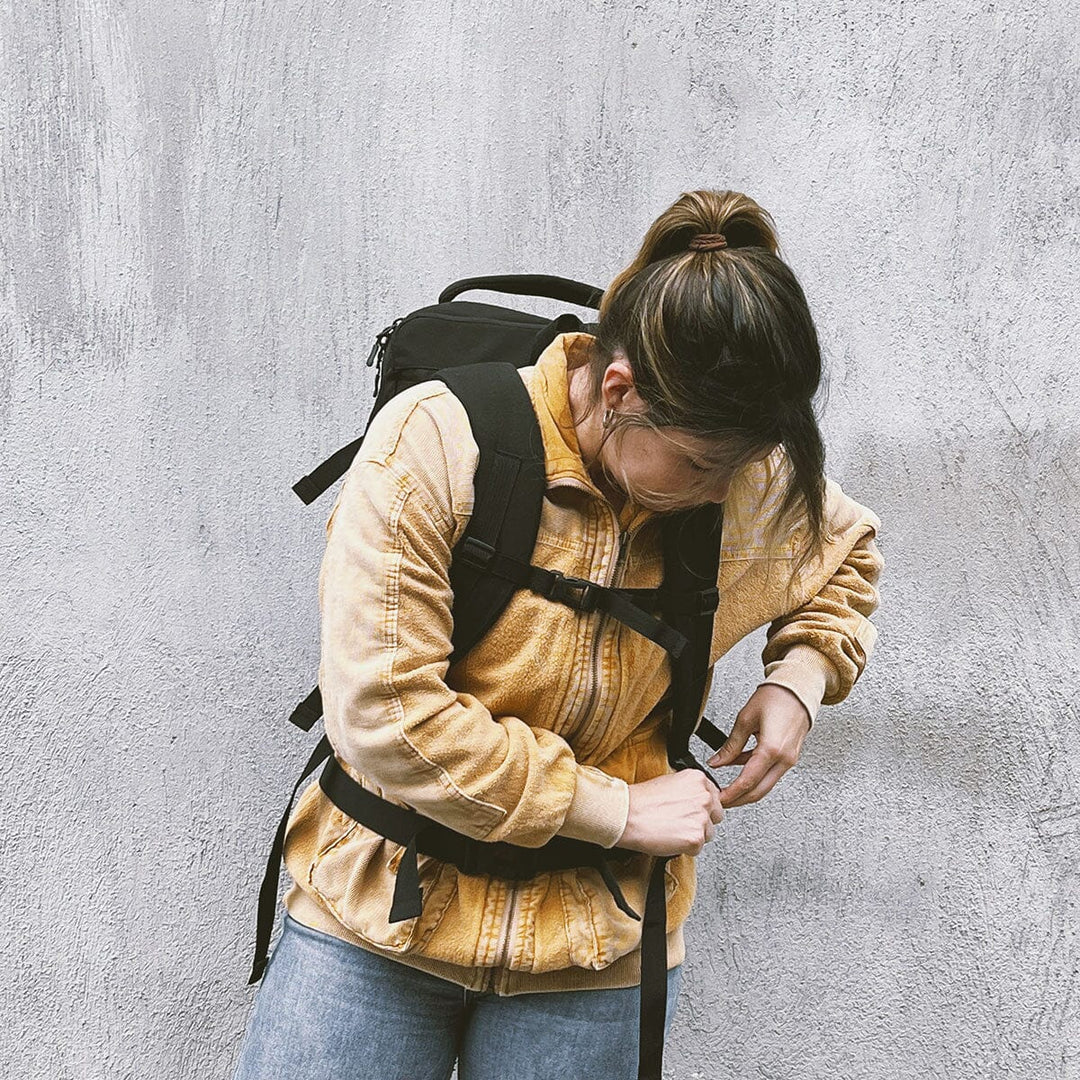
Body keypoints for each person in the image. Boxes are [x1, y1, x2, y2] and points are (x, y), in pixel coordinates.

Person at [231, 189, 884, 1079]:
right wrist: (617, 810)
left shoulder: (730, 471)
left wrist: (799, 678)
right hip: (375, 922)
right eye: (699, 466)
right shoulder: (438, 442)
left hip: (593, 953)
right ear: (619, 391)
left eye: (739, 468)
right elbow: (387, 716)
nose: (725, 492)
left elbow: (844, 551)